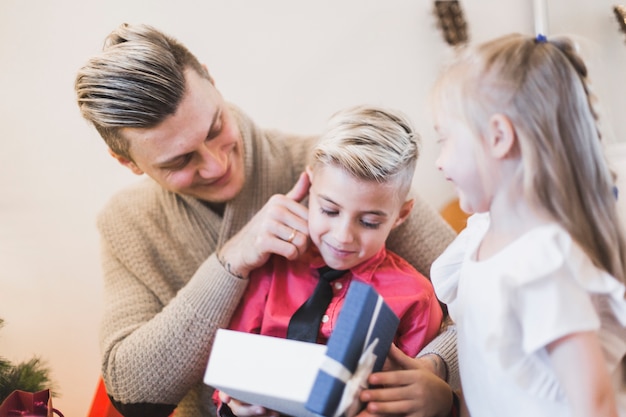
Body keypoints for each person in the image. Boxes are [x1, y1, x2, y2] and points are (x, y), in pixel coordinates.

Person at [74, 23, 458, 417]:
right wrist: (230, 263)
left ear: (211, 79)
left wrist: (436, 369)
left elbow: (481, 299)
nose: (216, 163)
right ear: (127, 162)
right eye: (180, 160)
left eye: (216, 128)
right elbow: (132, 393)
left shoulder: (343, 174)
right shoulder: (127, 223)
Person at [424, 33, 626, 417]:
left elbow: (595, 404)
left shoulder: (540, 264)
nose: (439, 162)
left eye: (445, 139)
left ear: (498, 137)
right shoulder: (479, 237)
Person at [214, 105, 444, 415]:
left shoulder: (414, 296)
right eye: (330, 211)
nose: (343, 236)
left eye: (370, 222)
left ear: (401, 215)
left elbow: (415, 395)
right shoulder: (273, 266)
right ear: (309, 187)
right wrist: (235, 405)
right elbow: (230, 370)